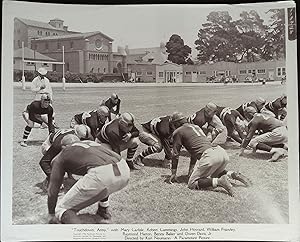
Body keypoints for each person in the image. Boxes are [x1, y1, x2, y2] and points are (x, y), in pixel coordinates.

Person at [47, 135, 130, 224]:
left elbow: (53, 189)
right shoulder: (91, 143)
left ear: (64, 147)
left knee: (62, 209)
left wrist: (51, 213)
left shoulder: (64, 153)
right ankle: (103, 209)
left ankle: (82, 235)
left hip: (103, 173)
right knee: (105, 181)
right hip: (123, 168)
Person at [169, 112, 251, 197]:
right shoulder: (196, 127)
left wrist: (173, 174)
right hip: (220, 152)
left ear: (177, 123)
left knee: (192, 183)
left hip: (210, 156)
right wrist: (191, 169)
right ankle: (234, 174)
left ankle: (220, 182)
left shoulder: (178, 131)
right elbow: (194, 150)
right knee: (214, 172)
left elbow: (175, 154)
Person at [40, 124, 93, 189]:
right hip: (48, 146)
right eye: (81, 139)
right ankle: (49, 181)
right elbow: (44, 162)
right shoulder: (59, 143)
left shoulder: (82, 135)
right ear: (77, 135)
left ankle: (69, 176)